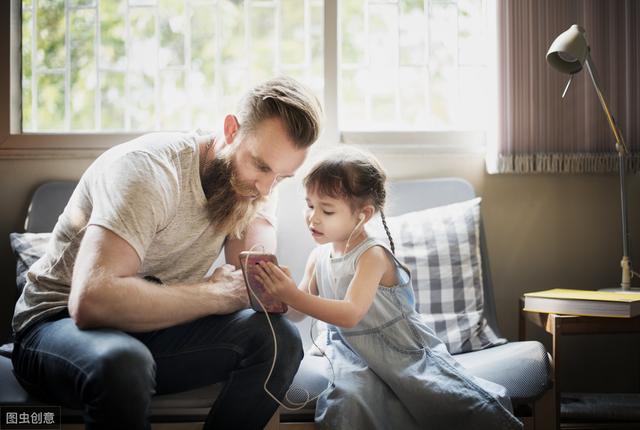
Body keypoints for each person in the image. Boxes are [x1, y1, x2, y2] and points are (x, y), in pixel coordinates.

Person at [11, 76, 323, 429]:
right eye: (262, 166)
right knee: (124, 361)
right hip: (55, 327)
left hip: (157, 327)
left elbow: (251, 272)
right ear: (231, 129)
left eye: (282, 177)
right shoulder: (149, 171)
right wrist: (217, 295)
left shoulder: (256, 185)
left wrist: (280, 283)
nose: (267, 187)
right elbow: (91, 302)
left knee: (279, 339)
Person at [255, 147, 524, 430]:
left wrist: (292, 294)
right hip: (349, 354)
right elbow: (298, 312)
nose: (313, 218)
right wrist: (276, 294)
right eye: (309, 205)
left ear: (363, 215)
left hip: (399, 349)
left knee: (447, 397)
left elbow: (350, 314)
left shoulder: (372, 256)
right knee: (347, 401)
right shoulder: (318, 257)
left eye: (327, 209)